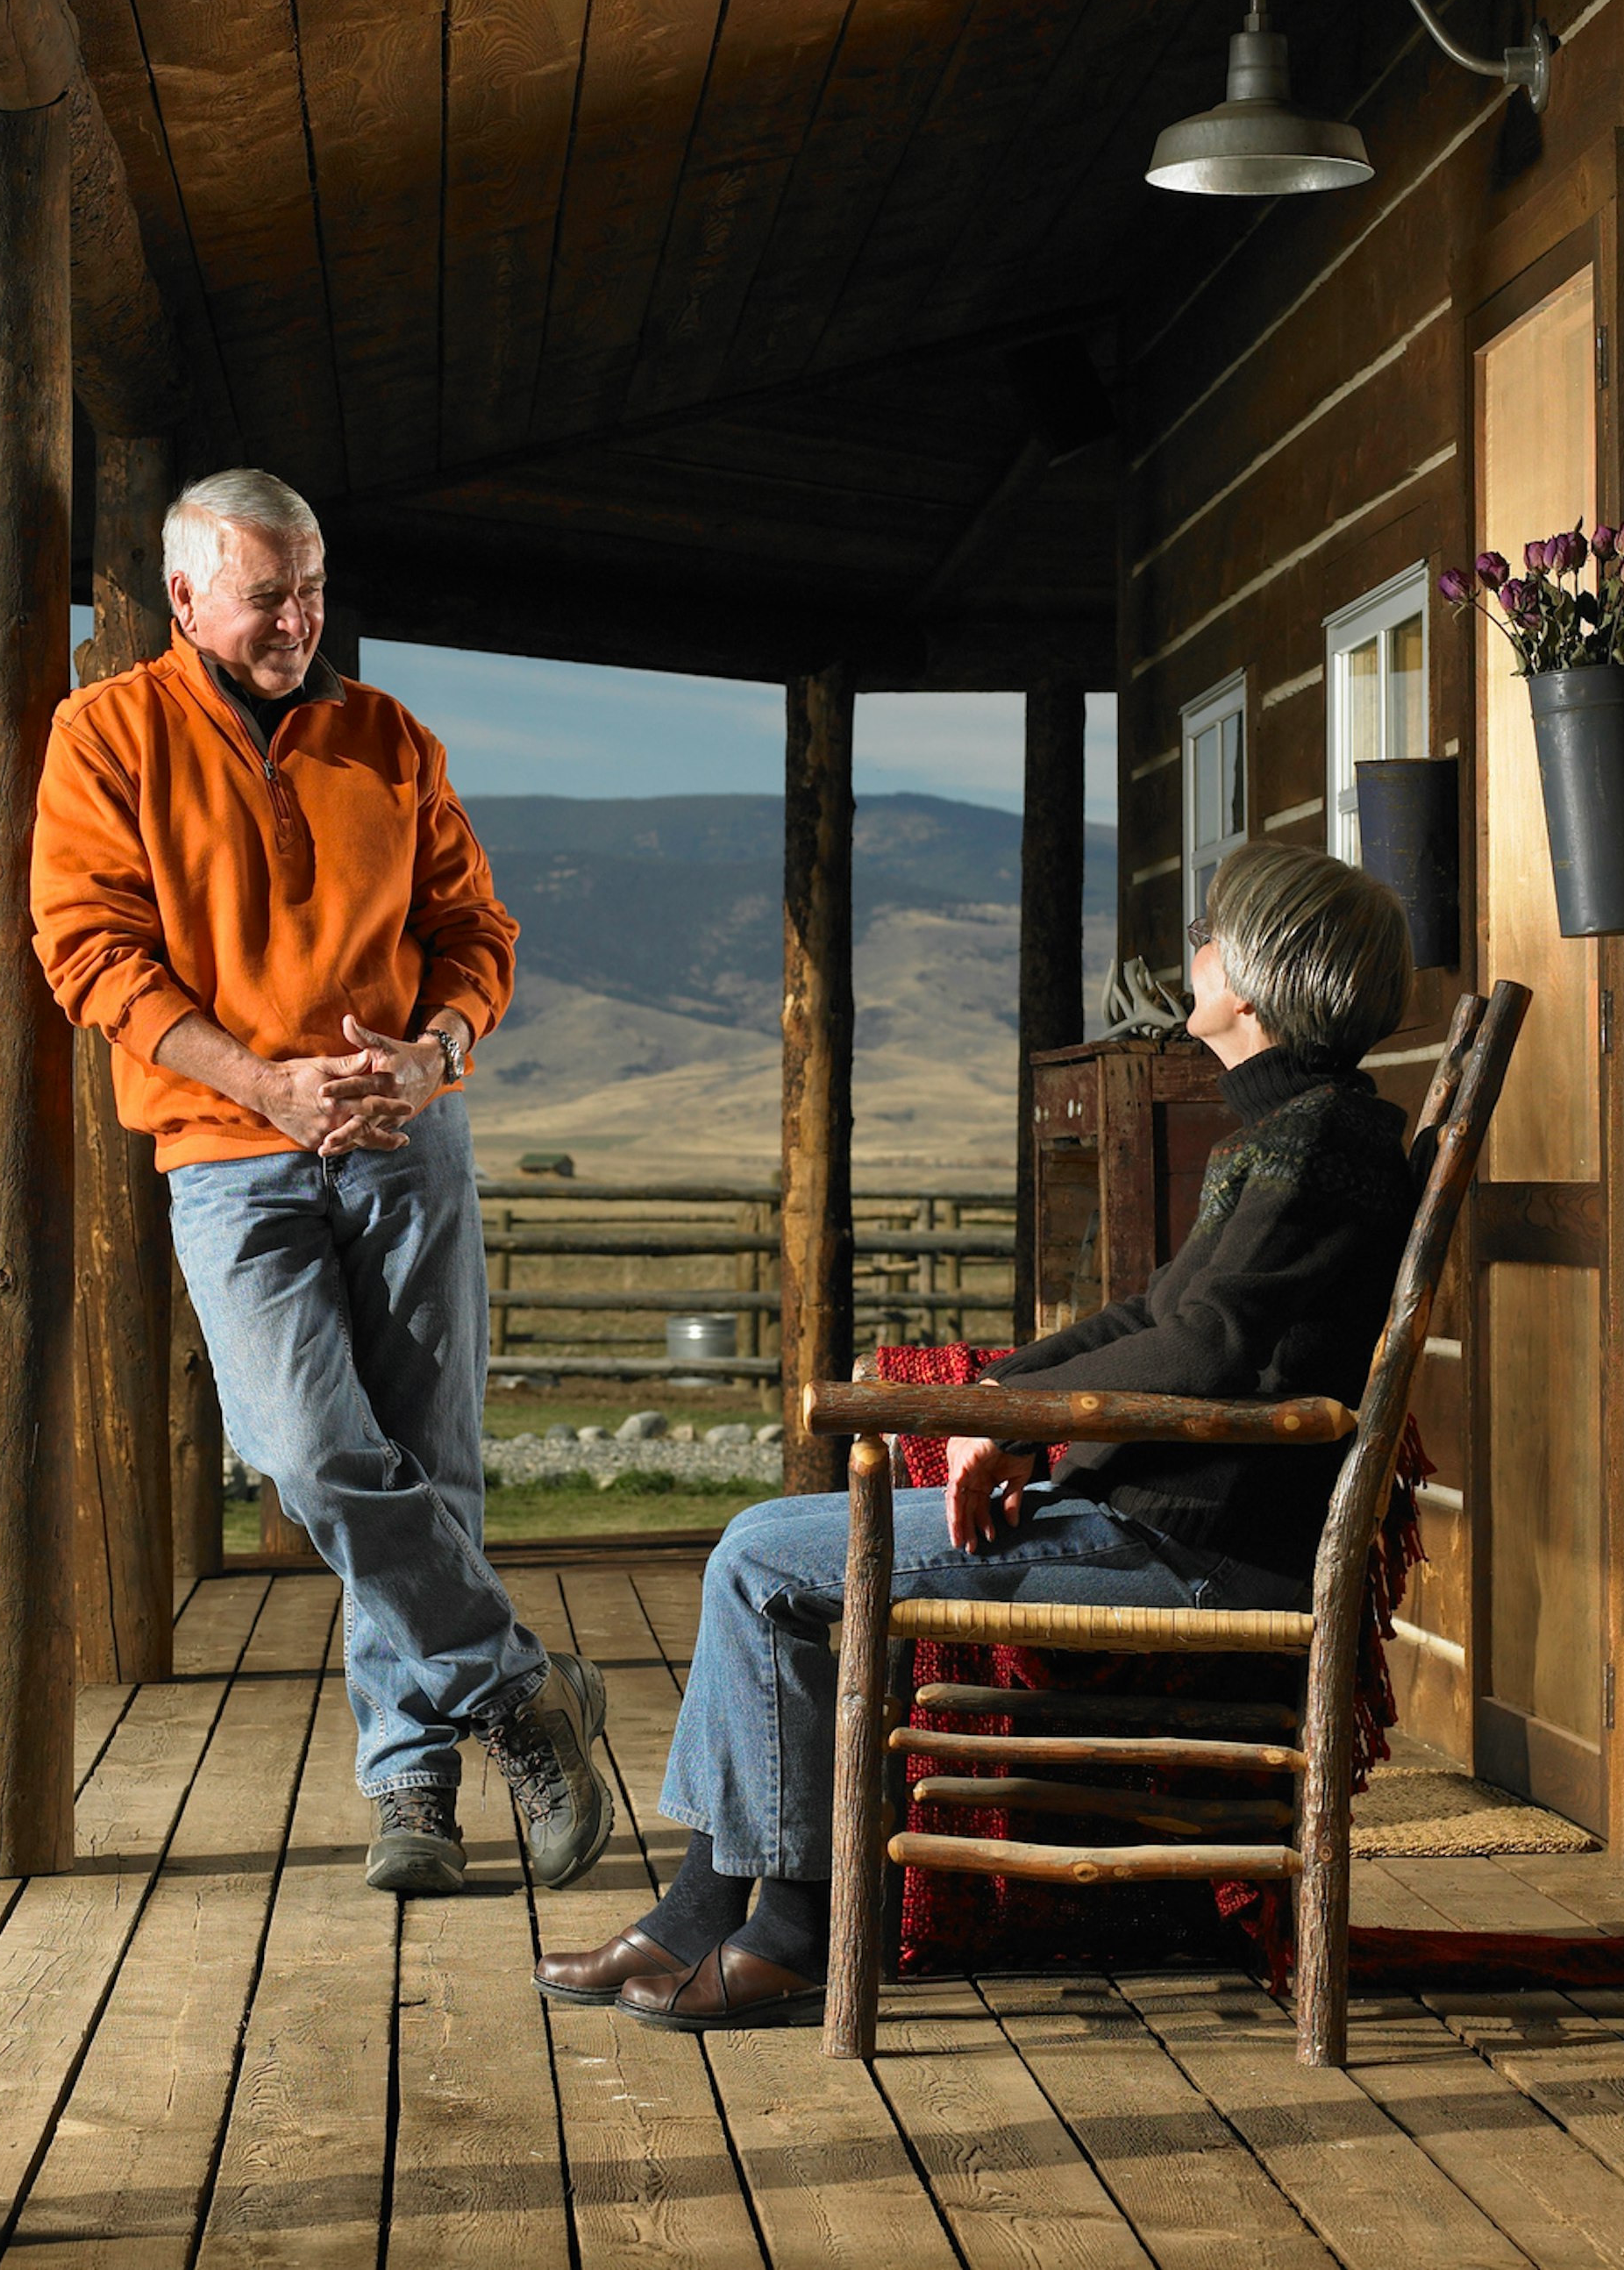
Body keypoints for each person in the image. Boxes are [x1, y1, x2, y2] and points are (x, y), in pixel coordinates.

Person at [537, 840, 1418, 2028]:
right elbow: (1151, 1319)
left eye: (1212, 935)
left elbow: (1203, 1350)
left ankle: (776, 1925)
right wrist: (989, 1404)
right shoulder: (1289, 1135)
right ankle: (717, 1909)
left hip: (1189, 1551)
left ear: (1260, 980)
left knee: (759, 1560)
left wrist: (1012, 1434)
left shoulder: (1318, 1148)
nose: (1193, 951)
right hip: (1142, 1519)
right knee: (766, 1549)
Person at [30, 466, 616, 1897]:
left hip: (408, 1141)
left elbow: (475, 929)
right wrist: (267, 1085)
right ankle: (519, 1691)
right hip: (232, 1155)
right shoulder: (104, 737)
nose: (300, 617)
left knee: (433, 1458)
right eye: (266, 593)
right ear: (185, 595)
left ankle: (411, 1786)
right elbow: (86, 948)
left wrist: (438, 1054)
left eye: (314, 589)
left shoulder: (388, 739)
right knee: (307, 1455)